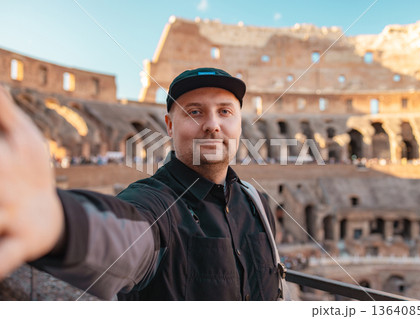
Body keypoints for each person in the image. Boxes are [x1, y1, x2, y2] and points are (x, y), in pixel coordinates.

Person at [0, 68, 285, 301]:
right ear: (169, 126)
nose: (212, 124)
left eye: (225, 112)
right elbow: (127, 236)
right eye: (194, 112)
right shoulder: (154, 202)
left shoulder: (256, 203)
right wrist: (58, 221)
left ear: (239, 124)